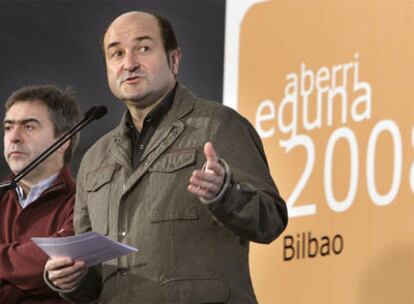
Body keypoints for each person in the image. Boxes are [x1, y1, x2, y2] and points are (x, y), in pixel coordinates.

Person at [45, 11, 288, 303]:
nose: (129, 63)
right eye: (117, 54)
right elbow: (92, 274)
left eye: (143, 48)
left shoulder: (217, 125)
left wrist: (226, 194)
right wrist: (70, 279)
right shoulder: (94, 159)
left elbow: (270, 220)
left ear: (174, 60)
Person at [0, 85, 81, 303]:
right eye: (8, 128)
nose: (14, 137)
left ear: (64, 141)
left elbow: (57, 261)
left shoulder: (84, 201)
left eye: (29, 127)